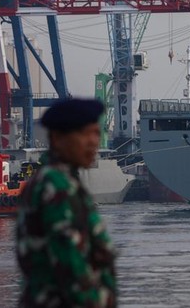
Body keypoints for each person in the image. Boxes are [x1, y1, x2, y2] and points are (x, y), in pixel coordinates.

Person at [16, 98, 117, 307]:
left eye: (96, 133)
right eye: (84, 133)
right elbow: (70, 268)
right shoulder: (55, 187)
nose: (93, 142)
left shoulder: (64, 182)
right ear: (58, 138)